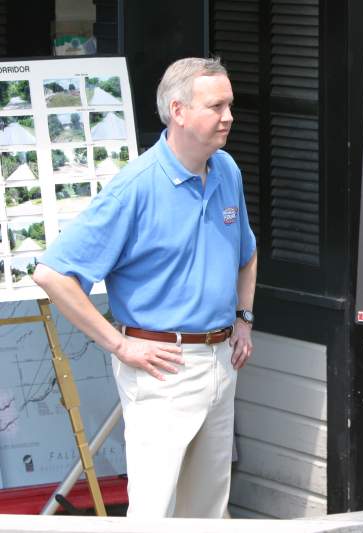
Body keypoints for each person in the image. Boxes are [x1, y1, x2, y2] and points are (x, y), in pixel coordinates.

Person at [33, 57, 258, 518]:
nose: (229, 116)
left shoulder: (227, 170)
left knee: (208, 512)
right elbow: (52, 274)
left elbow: (247, 253)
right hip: (161, 368)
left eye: (229, 104)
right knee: (153, 514)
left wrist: (244, 319)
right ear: (178, 111)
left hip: (221, 360)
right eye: (216, 106)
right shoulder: (134, 187)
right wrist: (119, 345)